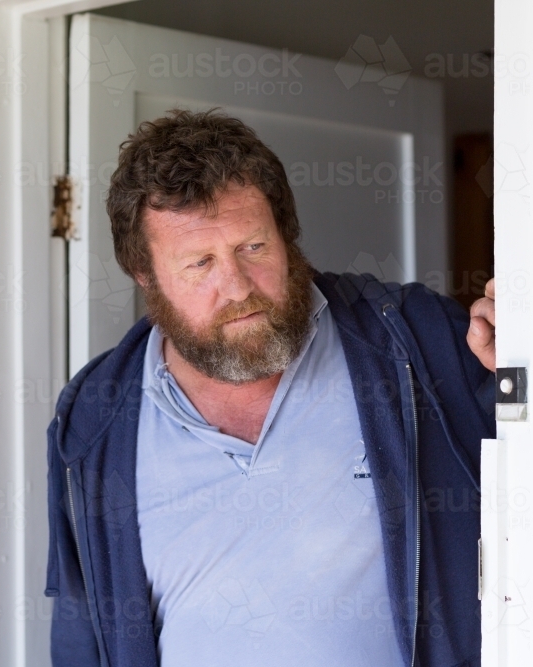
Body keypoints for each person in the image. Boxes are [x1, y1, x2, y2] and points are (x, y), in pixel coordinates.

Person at [45, 109, 496, 667]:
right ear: (145, 276)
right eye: (199, 263)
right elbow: (81, 636)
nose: (236, 288)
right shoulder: (94, 417)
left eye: (253, 247)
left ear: (286, 235)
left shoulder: (417, 340)